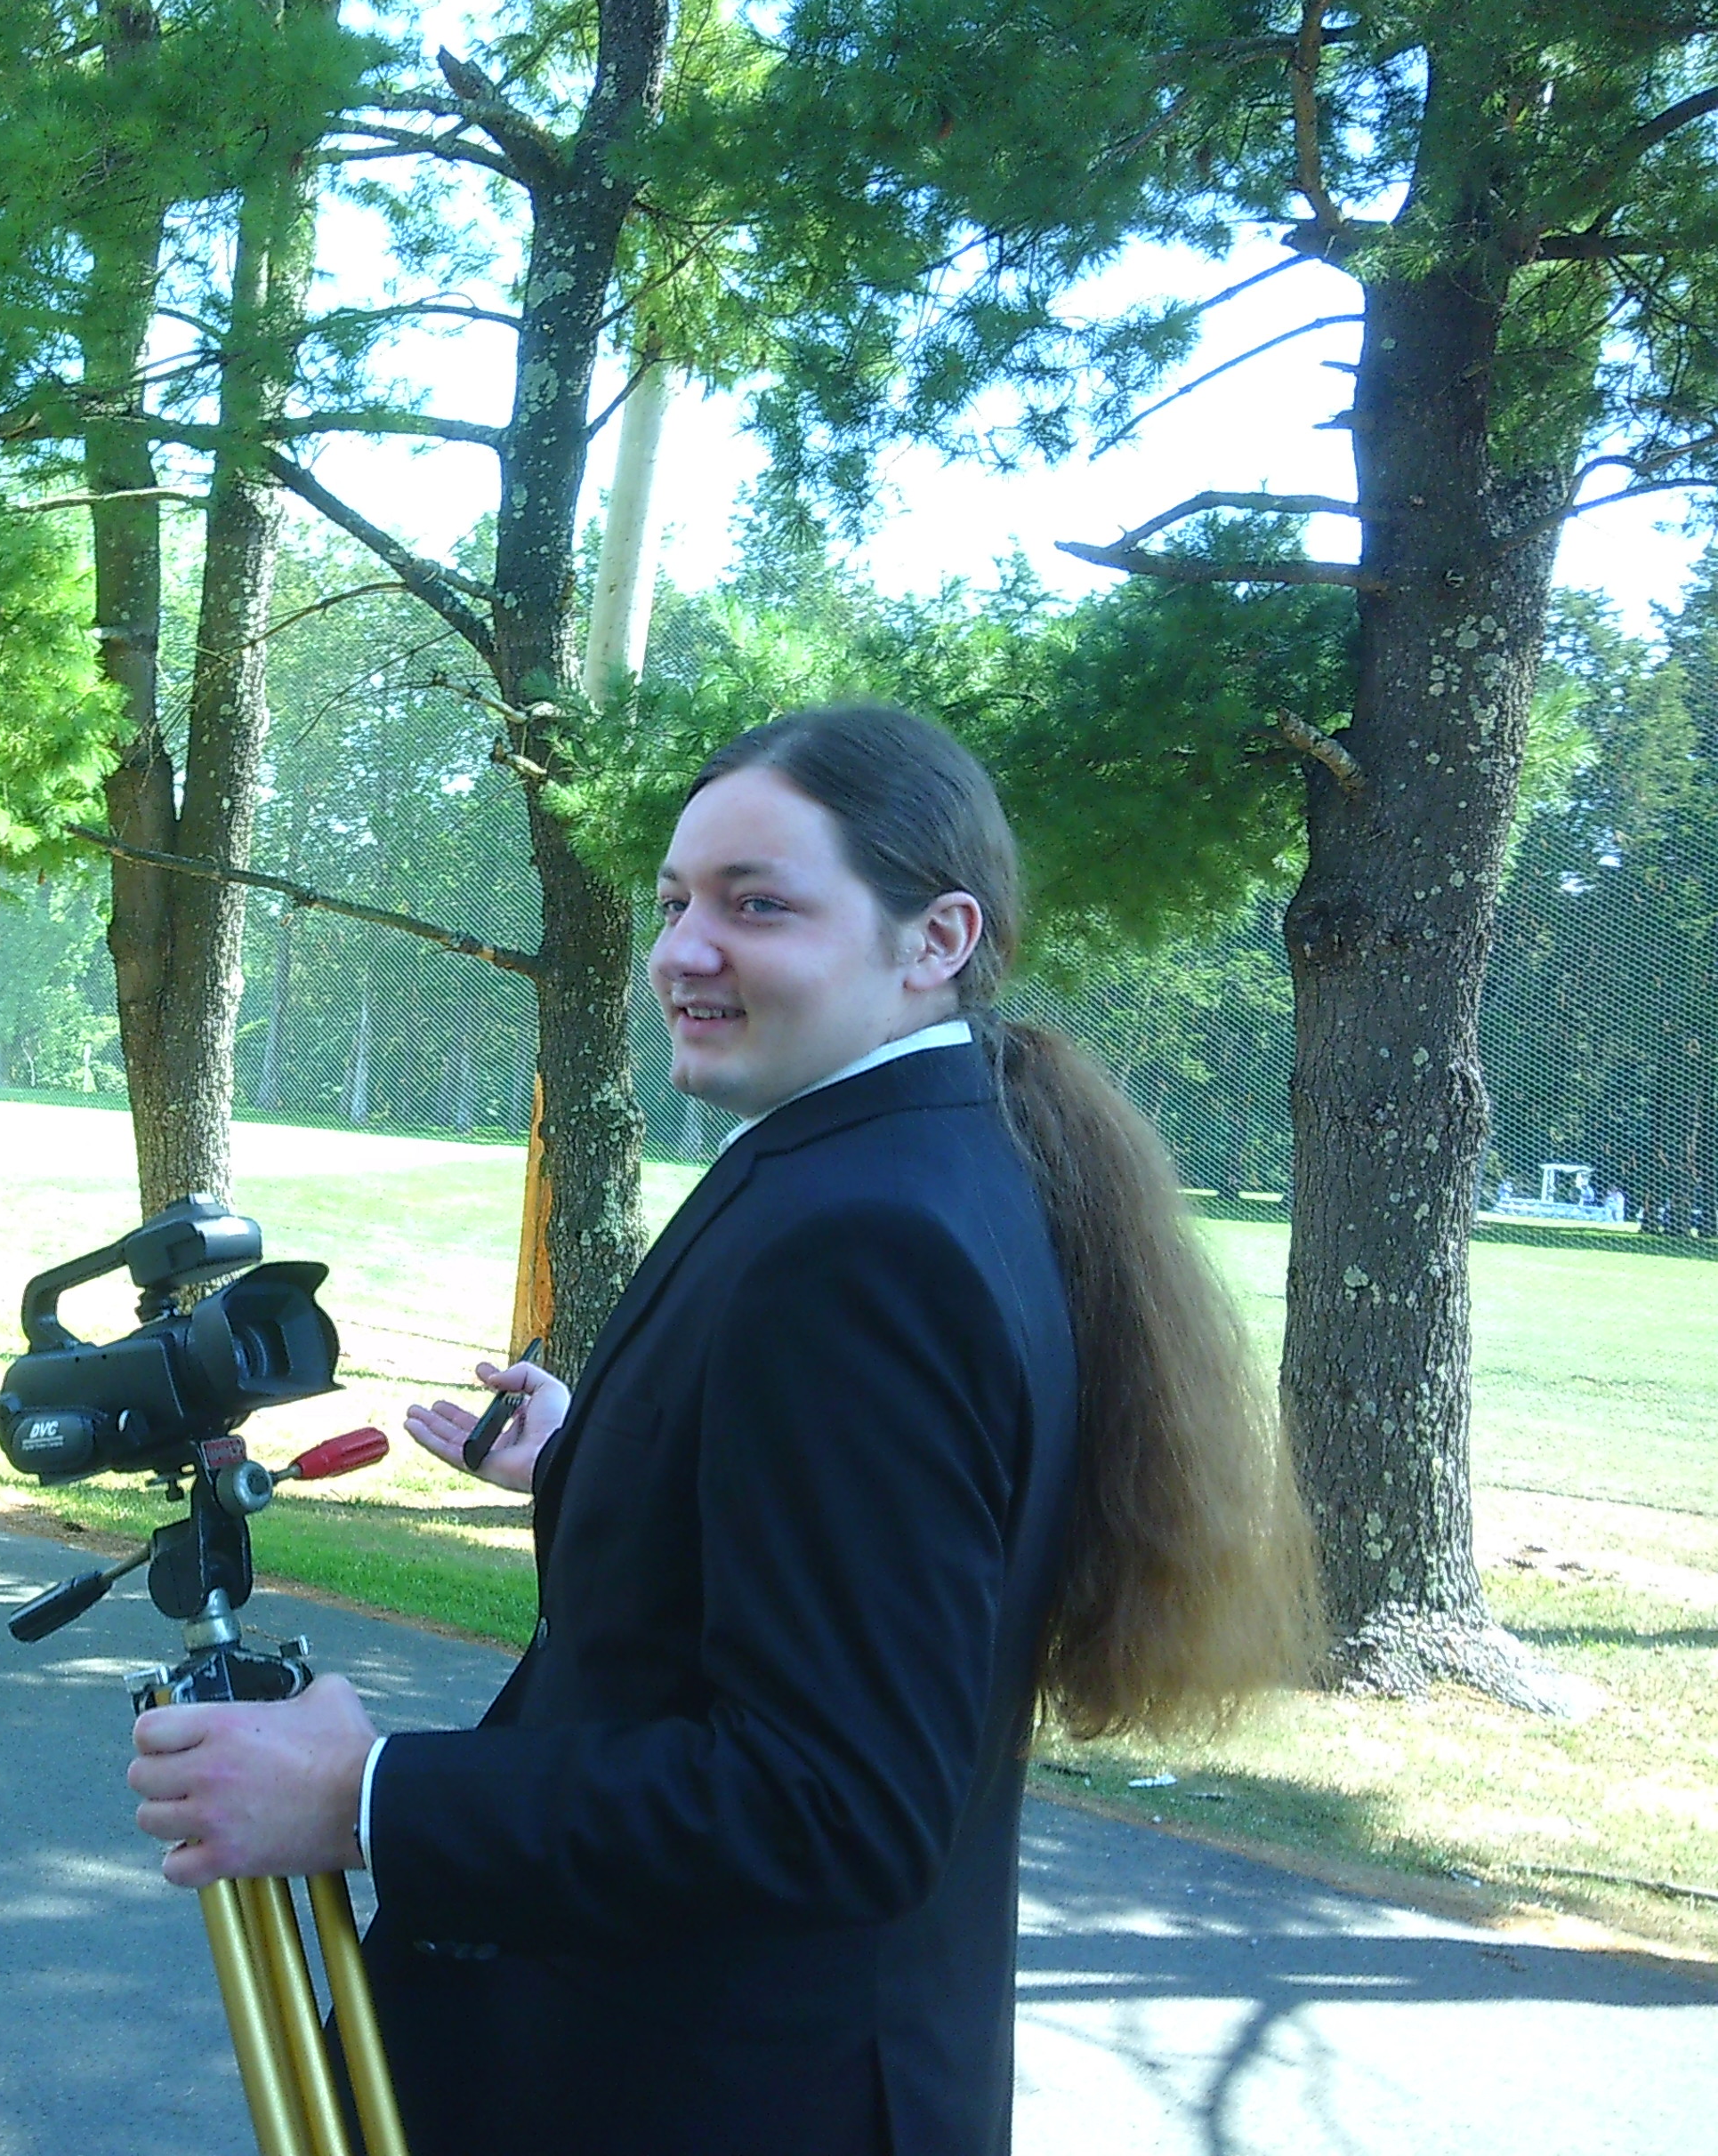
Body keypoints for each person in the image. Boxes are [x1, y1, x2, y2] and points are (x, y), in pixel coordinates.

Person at [127, 704, 1315, 2155]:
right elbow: (850, 1547)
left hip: (715, 2090)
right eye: (679, 899)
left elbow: (833, 1801)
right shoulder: (914, 1152)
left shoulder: (868, 1234)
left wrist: (363, 1795)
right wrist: (605, 1465)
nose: (685, 948)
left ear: (933, 939)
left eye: (759, 905)